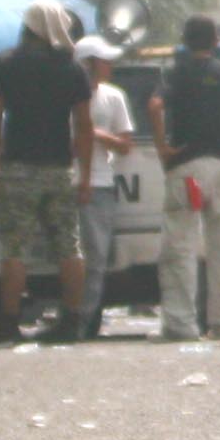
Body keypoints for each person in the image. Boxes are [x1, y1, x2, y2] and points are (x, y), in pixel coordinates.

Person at [0, 0, 94, 343]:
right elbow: (84, 125)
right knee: (69, 246)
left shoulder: (6, 66)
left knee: (15, 248)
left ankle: (9, 322)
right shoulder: (73, 70)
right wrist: (86, 174)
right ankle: (71, 320)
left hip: (18, 167)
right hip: (59, 168)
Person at [153, 16, 220, 343]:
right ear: (214, 42)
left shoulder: (175, 73)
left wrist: (163, 149)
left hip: (185, 169)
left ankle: (181, 325)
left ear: (184, 40)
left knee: (179, 248)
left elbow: (155, 106)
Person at [73, 35, 139, 335]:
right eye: (104, 60)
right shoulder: (63, 96)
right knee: (67, 256)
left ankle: (83, 321)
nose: (110, 65)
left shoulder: (114, 97)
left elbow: (125, 144)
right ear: (87, 64)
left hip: (100, 183)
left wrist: (95, 133)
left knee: (96, 257)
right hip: (66, 182)